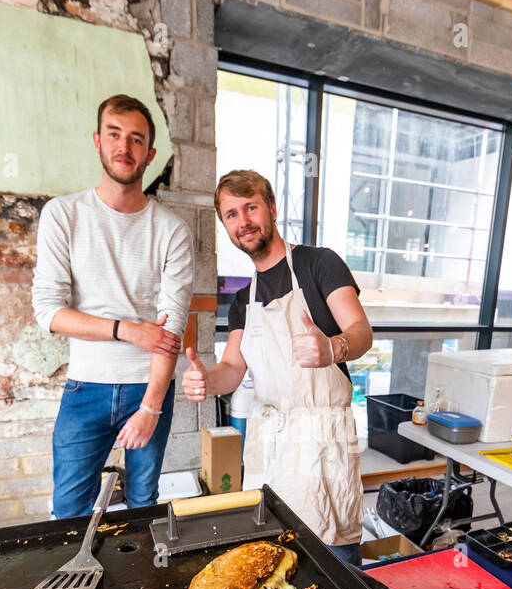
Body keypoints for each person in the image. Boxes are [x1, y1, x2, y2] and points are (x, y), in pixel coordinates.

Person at [182, 170, 373, 565]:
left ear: (270, 208)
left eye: (250, 207)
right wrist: (207, 379)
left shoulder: (319, 264)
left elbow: (361, 331)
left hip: (322, 443)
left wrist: (332, 347)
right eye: (231, 215)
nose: (243, 221)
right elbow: (233, 369)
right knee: (271, 555)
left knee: (333, 556)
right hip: (269, 444)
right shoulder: (243, 299)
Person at [32, 94, 193, 516]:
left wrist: (150, 407)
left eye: (136, 139)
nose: (124, 147)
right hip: (86, 387)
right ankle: (77, 582)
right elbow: (49, 313)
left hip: (149, 386)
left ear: (149, 154)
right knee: (68, 510)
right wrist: (127, 329)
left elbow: (170, 332)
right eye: (114, 135)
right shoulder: (62, 215)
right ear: (97, 141)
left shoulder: (171, 231)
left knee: (144, 507)